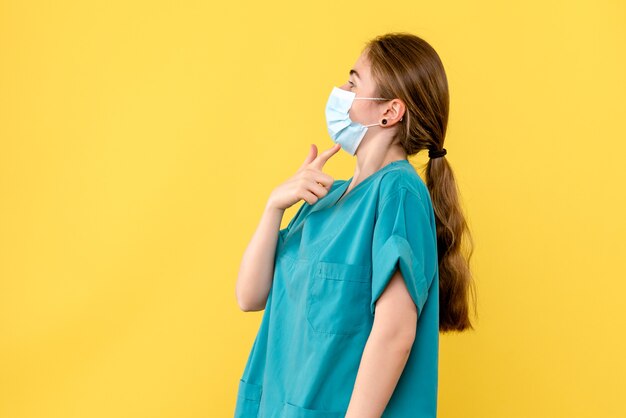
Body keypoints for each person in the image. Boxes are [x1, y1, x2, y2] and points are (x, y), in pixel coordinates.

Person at [234, 32, 477, 418]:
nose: (341, 91)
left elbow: (394, 333)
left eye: (353, 82)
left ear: (389, 112)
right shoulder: (326, 197)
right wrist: (274, 207)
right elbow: (250, 297)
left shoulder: (398, 193)